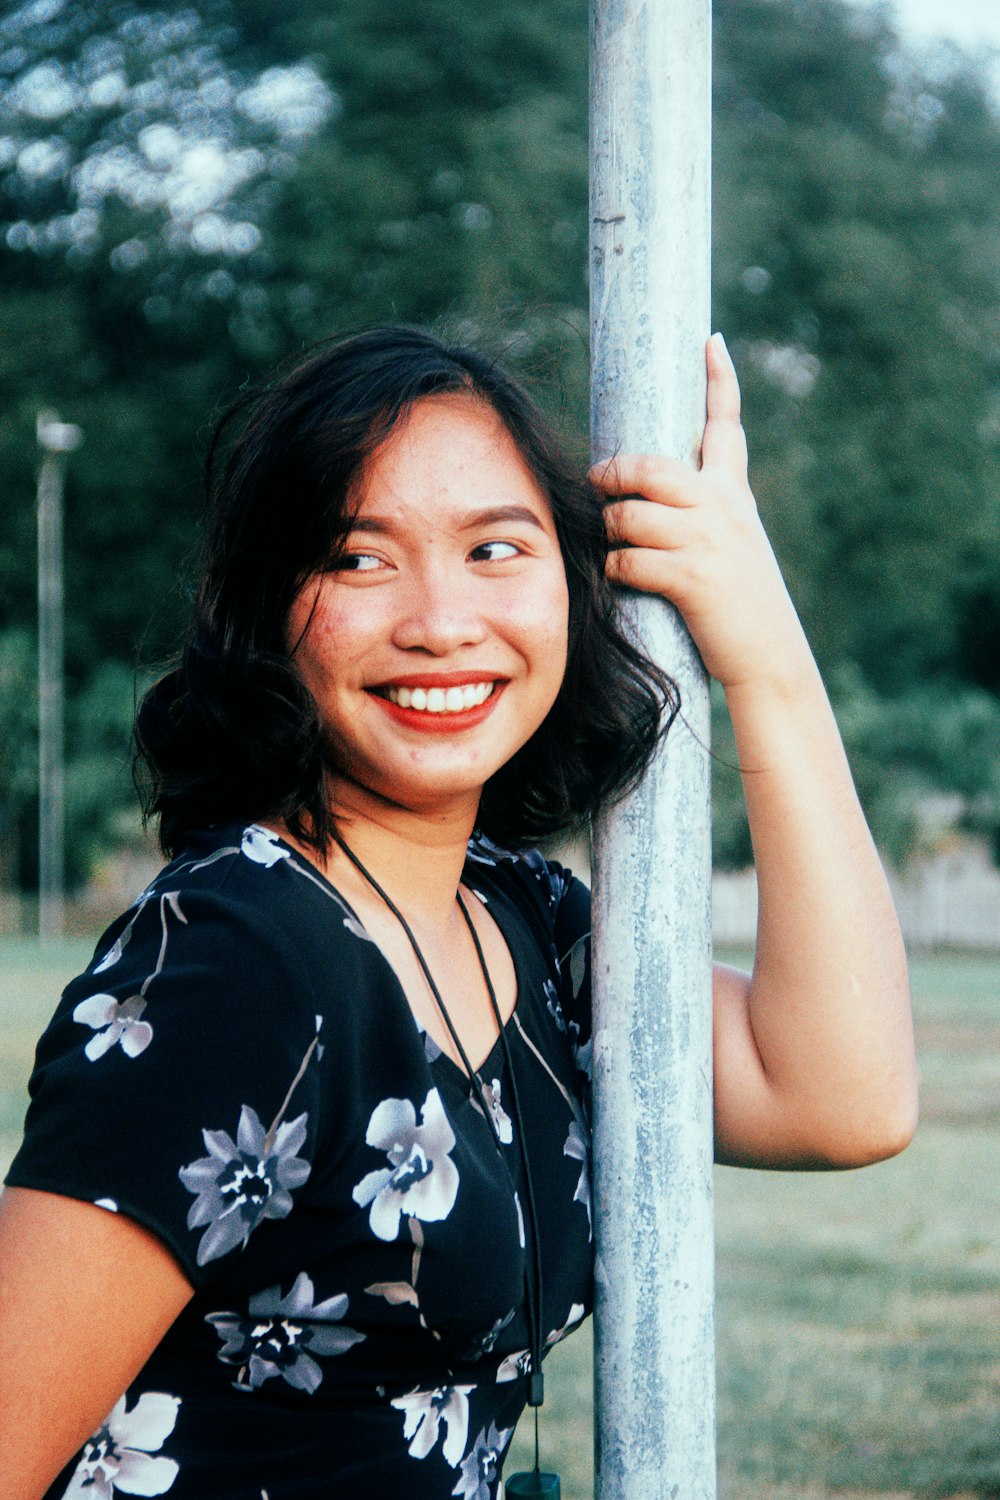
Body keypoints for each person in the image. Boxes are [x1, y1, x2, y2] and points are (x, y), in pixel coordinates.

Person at [0, 325, 917, 1499]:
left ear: (578, 589)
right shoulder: (237, 960)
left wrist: (766, 658)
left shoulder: (521, 916)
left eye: (496, 548)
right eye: (359, 559)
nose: (441, 621)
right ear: (269, 608)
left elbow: (841, 1100)